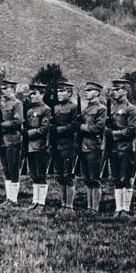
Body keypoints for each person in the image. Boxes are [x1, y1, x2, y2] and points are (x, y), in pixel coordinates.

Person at [105, 79, 136, 218]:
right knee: (116, 179)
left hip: (125, 148)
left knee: (126, 178)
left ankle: (126, 208)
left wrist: (113, 134)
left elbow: (131, 130)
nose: (114, 92)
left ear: (125, 90)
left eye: (117, 89)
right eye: (113, 89)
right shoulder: (112, 108)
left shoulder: (131, 108)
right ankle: (118, 208)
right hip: (113, 148)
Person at [50, 82, 80, 212]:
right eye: (58, 91)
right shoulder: (55, 108)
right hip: (56, 145)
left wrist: (57, 130)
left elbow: (74, 125)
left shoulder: (74, 108)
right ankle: (63, 204)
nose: (59, 94)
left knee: (68, 175)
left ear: (69, 93)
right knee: (59, 175)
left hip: (68, 145)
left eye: (63, 91)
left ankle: (70, 205)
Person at [78, 82, 107, 212]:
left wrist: (82, 127)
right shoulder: (86, 109)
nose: (86, 92)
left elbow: (98, 128)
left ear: (97, 93)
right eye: (86, 90)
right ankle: (89, 206)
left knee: (95, 178)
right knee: (87, 178)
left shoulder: (101, 109)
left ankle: (95, 207)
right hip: (83, 145)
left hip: (94, 146)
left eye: (90, 90)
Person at [25, 84, 52, 210]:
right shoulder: (30, 111)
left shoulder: (46, 110)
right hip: (30, 147)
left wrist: (28, 133)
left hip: (41, 146)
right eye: (31, 93)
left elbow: (44, 129)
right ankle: (35, 201)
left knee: (41, 175)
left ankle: (41, 203)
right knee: (34, 174)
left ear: (42, 94)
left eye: (35, 93)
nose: (32, 96)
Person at [0, 80, 24, 204]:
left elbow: (17, 122)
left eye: (5, 88)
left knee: (13, 169)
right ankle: (8, 198)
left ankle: (14, 199)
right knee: (6, 169)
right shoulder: (3, 104)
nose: (3, 91)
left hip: (13, 140)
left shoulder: (17, 104)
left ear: (13, 90)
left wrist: (2, 124)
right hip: (2, 141)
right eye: (2, 88)